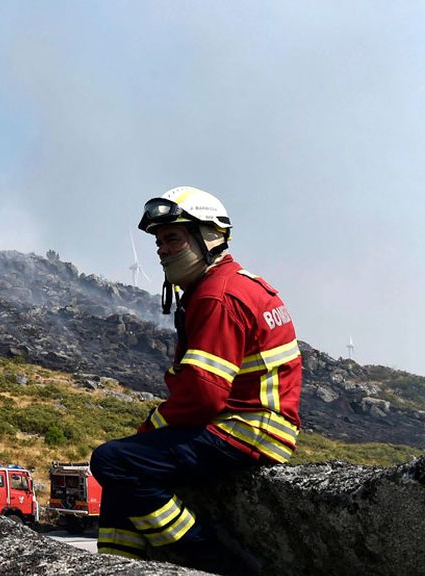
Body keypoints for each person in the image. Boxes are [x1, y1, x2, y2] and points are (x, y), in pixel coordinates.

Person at [90, 186, 302, 573]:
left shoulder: (217, 296)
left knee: (113, 460)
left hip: (246, 430)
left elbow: (203, 395)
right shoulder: (236, 284)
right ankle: (118, 565)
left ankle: (217, 563)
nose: (161, 249)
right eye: (158, 240)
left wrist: (150, 428)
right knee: (127, 465)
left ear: (208, 237)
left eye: (172, 237)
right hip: (254, 426)